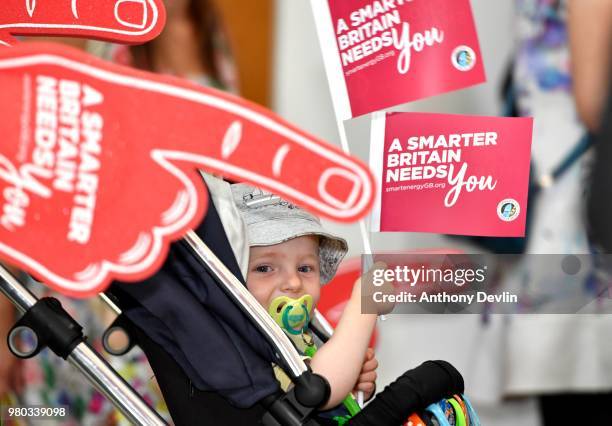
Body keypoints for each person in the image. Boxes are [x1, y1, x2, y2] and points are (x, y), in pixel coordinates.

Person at [231, 183, 380, 413]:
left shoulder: (311, 334)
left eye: (304, 268)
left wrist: (353, 383)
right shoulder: (243, 346)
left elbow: (333, 393)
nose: (293, 283)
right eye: (264, 269)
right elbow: (318, 389)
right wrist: (364, 305)